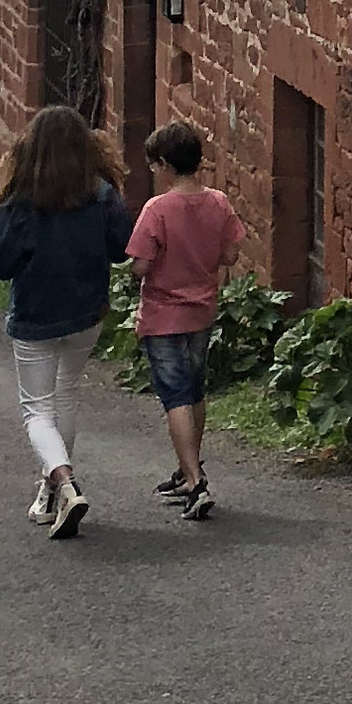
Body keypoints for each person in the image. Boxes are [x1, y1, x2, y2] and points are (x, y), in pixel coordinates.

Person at [0, 103, 132, 541]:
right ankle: (52, 489)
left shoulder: (20, 202)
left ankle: (64, 483)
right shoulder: (101, 194)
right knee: (65, 394)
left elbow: (3, 264)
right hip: (86, 314)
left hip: (35, 315)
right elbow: (122, 248)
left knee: (36, 408)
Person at [123, 122, 241, 520]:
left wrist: (131, 267)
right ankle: (189, 466)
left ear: (165, 165)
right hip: (202, 310)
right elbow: (230, 257)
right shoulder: (219, 203)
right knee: (195, 391)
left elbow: (139, 266)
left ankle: (194, 482)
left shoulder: (157, 210)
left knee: (174, 397)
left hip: (162, 315)